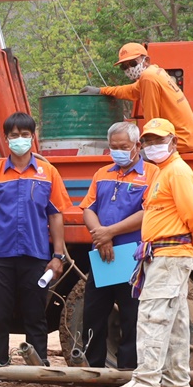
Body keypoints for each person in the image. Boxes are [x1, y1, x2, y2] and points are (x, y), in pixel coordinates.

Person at [112, 118, 193, 387]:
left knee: (153, 314)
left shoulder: (175, 171)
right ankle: (176, 379)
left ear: (173, 142)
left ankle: (146, 379)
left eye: (158, 140)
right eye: (148, 141)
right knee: (174, 319)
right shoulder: (165, 171)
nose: (152, 146)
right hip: (166, 253)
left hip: (169, 253)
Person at [0, 112, 70, 367]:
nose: (20, 139)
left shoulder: (48, 173)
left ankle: (38, 364)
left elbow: (56, 215)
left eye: (25, 134)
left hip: (36, 255)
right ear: (6, 139)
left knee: (35, 313)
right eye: (14, 135)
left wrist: (58, 256)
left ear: (33, 137)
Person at [79, 121, 156, 369]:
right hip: (102, 257)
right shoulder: (102, 174)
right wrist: (100, 236)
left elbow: (148, 212)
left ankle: (128, 370)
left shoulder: (152, 174)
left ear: (137, 146)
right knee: (93, 314)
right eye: (113, 147)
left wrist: (108, 233)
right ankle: (93, 368)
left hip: (133, 258)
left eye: (124, 147)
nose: (118, 151)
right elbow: (88, 208)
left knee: (131, 316)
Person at [88, 44, 193, 153]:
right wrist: (101, 90)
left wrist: (146, 144)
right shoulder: (154, 72)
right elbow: (130, 91)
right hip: (186, 137)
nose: (129, 69)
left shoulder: (148, 77)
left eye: (132, 63)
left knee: (133, 157)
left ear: (146, 60)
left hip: (179, 140)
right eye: (124, 66)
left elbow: (153, 122)